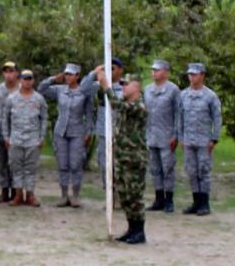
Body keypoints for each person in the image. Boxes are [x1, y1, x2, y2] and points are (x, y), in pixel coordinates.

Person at [94, 65, 148, 244]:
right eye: (122, 84)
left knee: (135, 196)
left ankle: (139, 231)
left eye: (127, 84)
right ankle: (131, 228)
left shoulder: (139, 107)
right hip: (123, 158)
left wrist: (106, 86)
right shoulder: (127, 105)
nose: (123, 87)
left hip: (134, 159)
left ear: (137, 87)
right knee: (125, 196)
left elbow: (116, 103)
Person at [39, 63, 94, 208]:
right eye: (66, 74)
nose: (67, 77)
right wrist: (52, 79)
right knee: (62, 164)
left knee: (76, 164)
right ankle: (63, 195)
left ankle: (75, 195)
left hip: (77, 132)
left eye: (70, 74)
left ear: (77, 76)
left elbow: (89, 115)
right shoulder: (60, 90)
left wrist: (89, 132)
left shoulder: (84, 92)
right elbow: (41, 89)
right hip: (60, 132)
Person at [178, 62, 222, 216]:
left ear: (202, 75)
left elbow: (217, 118)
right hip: (188, 139)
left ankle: (205, 203)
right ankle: (195, 202)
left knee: (203, 171)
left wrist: (214, 138)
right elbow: (180, 118)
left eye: (195, 74)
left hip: (204, 140)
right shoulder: (183, 95)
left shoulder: (210, 96)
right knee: (191, 171)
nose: (192, 77)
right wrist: (180, 137)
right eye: (190, 74)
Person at [3, 69, 48, 207]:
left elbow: (44, 119)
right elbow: (5, 119)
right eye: (24, 78)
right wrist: (6, 137)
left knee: (30, 168)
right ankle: (18, 195)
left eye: (30, 78)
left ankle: (30, 195)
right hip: (15, 138)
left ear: (33, 80)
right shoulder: (11, 98)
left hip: (32, 139)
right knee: (16, 168)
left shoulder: (39, 98)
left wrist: (42, 137)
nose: (27, 81)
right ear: (20, 80)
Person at [80, 57, 125, 191]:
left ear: (120, 70)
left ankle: (120, 193)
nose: (109, 72)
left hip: (120, 132)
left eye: (112, 69)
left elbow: (119, 104)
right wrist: (94, 74)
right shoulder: (98, 87)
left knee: (120, 165)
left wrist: (107, 86)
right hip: (103, 131)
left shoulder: (124, 87)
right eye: (107, 68)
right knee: (104, 163)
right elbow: (83, 89)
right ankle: (109, 193)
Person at [144, 59, 180, 213]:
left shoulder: (173, 90)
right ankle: (158, 198)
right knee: (154, 168)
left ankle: (169, 199)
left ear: (166, 72)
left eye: (157, 70)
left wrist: (176, 135)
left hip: (167, 134)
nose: (154, 72)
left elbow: (178, 114)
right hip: (151, 134)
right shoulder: (147, 89)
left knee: (168, 168)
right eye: (153, 70)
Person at [0, 61, 20, 203]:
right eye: (6, 71)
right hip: (1, 132)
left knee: (15, 163)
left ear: (17, 73)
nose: (9, 75)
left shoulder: (22, 89)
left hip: (18, 132)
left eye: (11, 71)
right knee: (3, 162)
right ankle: (4, 191)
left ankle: (16, 191)